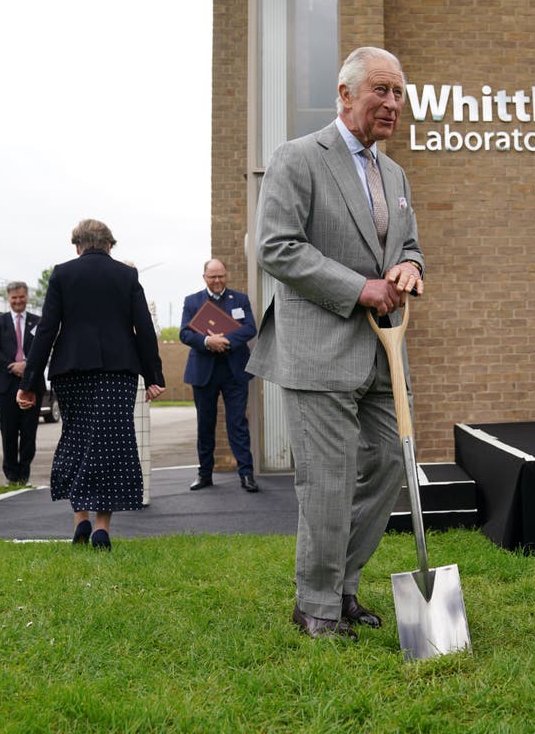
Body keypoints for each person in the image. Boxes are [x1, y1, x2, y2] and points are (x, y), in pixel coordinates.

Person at [249, 46, 425, 641]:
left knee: (389, 466)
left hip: (382, 351)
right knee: (326, 479)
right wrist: (361, 288)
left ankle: (339, 585)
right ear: (346, 94)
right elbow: (276, 247)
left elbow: (408, 246)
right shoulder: (299, 158)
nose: (393, 103)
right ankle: (317, 608)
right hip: (318, 348)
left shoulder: (394, 174)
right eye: (382, 90)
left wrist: (408, 269)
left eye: (399, 93)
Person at [17, 219, 165, 550]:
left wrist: (30, 383)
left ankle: (79, 519)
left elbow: (47, 331)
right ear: (109, 245)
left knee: (76, 439)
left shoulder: (62, 273)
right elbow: (143, 327)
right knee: (111, 445)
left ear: (78, 245)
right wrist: (154, 377)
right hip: (117, 371)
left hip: (71, 370)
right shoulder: (126, 275)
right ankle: (102, 528)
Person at [180, 258, 258, 492]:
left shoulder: (240, 300)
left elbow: (250, 328)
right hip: (204, 374)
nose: (217, 281)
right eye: (212, 276)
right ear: (204, 277)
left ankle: (246, 475)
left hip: (234, 372)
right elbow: (184, 333)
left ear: (226, 275)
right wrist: (206, 341)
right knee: (205, 424)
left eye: (221, 276)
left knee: (238, 424)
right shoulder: (192, 301)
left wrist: (224, 341)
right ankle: (204, 475)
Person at [0, 281, 43, 486]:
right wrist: (12, 366)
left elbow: (42, 347)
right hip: (5, 384)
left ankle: (24, 474)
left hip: (31, 384)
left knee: (29, 433)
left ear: (27, 297)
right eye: (14, 297)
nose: (18, 301)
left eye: (21, 296)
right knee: (8, 432)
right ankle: (11, 475)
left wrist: (27, 366)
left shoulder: (38, 321)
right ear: (8, 299)